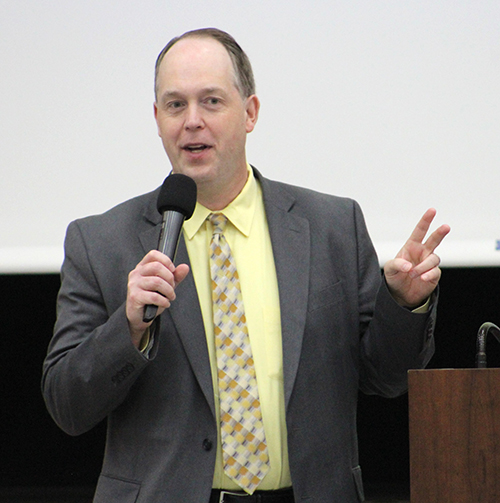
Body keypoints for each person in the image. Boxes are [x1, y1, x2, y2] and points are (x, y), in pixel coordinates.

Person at [42, 28, 450, 503]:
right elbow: (67, 406)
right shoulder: (101, 242)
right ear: (157, 119)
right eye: (175, 105)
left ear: (251, 112)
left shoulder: (331, 226)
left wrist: (402, 304)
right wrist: (129, 328)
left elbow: (386, 377)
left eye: (211, 101)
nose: (192, 121)